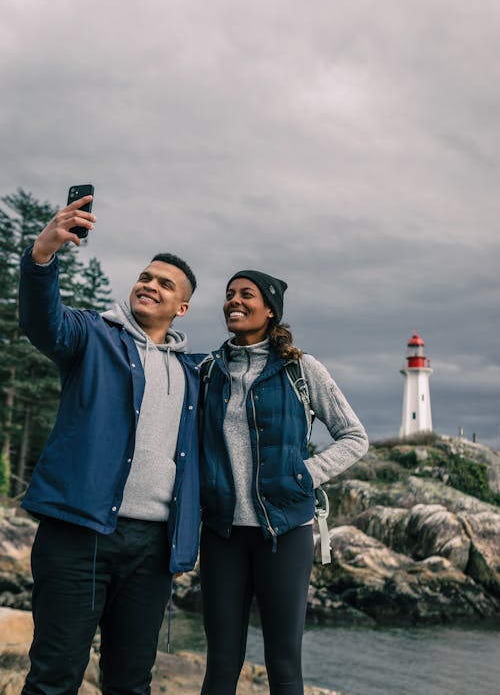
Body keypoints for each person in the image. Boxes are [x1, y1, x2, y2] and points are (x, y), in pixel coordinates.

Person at [19, 194, 203, 695]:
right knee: (55, 675)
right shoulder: (91, 334)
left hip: (153, 548)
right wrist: (42, 255)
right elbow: (42, 321)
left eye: (165, 283)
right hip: (79, 532)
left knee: (131, 681)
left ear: (181, 307)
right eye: (145, 276)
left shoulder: (195, 372)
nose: (150, 285)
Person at [198, 270, 369, 695]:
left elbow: (354, 437)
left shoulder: (300, 369)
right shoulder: (207, 372)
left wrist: (302, 476)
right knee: (220, 661)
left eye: (246, 295)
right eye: (229, 295)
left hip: (286, 531)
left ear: (270, 310)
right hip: (221, 532)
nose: (233, 301)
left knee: (283, 661)